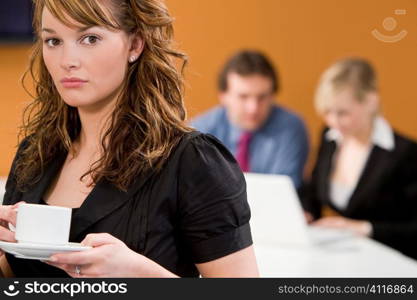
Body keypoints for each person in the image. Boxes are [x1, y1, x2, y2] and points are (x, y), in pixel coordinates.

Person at [0, 0, 258, 278]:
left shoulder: (193, 161)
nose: (66, 61)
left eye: (90, 38)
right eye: (53, 41)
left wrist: (141, 275)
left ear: (135, 45)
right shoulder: (35, 153)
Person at [301, 58, 417, 260]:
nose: (334, 121)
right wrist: (306, 213)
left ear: (371, 102)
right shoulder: (331, 137)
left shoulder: (405, 154)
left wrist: (364, 228)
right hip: (345, 256)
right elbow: (314, 191)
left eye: (343, 113)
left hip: (390, 261)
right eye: (327, 112)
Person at [191, 50, 309, 189]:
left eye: (262, 97)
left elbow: (284, 190)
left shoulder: (291, 127)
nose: (253, 108)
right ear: (223, 96)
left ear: (273, 95)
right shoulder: (200, 131)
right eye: (243, 97)